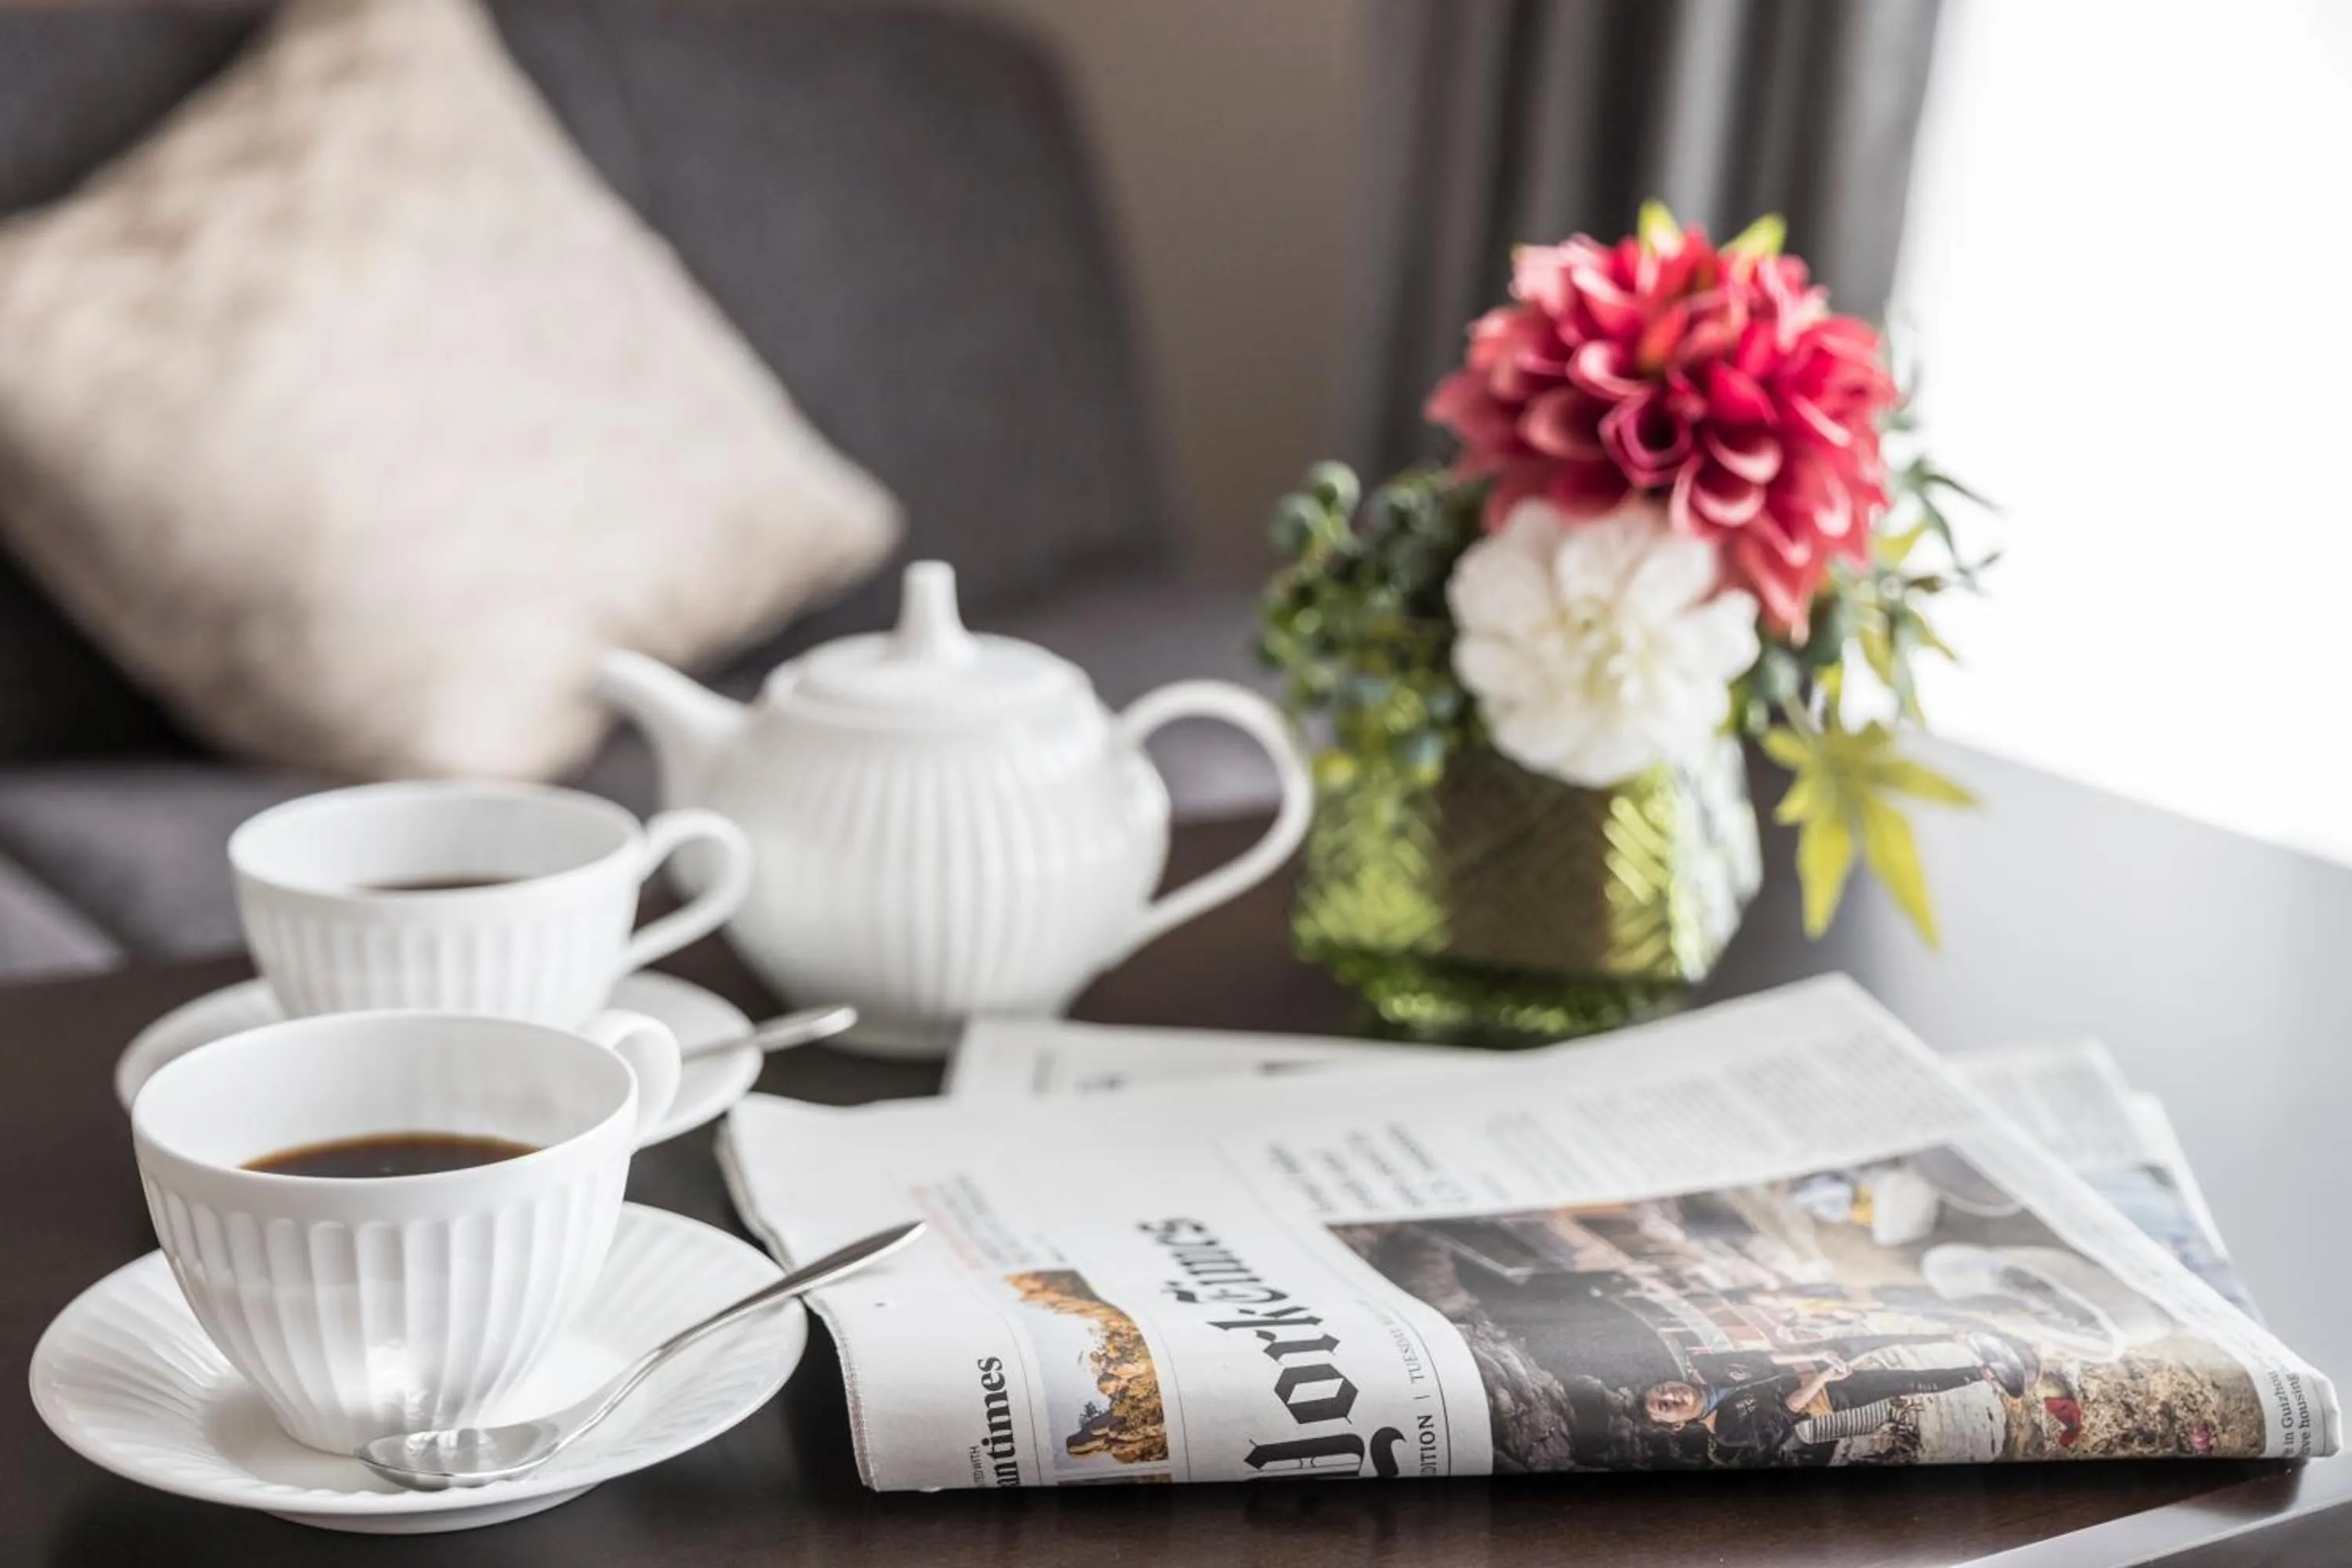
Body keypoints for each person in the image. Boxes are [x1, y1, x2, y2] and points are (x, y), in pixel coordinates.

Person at [1642, 1332, 2032, 1454]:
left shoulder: (1712, 1369)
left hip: (1814, 1365)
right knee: (1905, 1382)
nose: (1672, 1396)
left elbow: (1769, 1356)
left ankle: (1958, 1336)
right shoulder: (1726, 1430)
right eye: (1665, 1407)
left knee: (1871, 1339)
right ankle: (1986, 1373)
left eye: (1663, 1390)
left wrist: (1816, 1354)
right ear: (1677, 1425)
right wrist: (1824, 1377)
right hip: (1824, 1394)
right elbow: (1789, 1410)